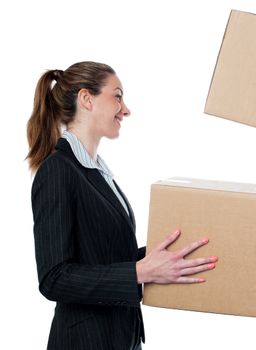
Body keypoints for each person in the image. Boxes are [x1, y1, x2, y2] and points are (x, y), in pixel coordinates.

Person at [27, 61, 219, 350]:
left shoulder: (97, 173)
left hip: (122, 338)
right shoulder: (58, 170)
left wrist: (165, 257)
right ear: (86, 99)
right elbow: (54, 278)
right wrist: (141, 272)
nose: (125, 109)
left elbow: (105, 256)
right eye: (117, 96)